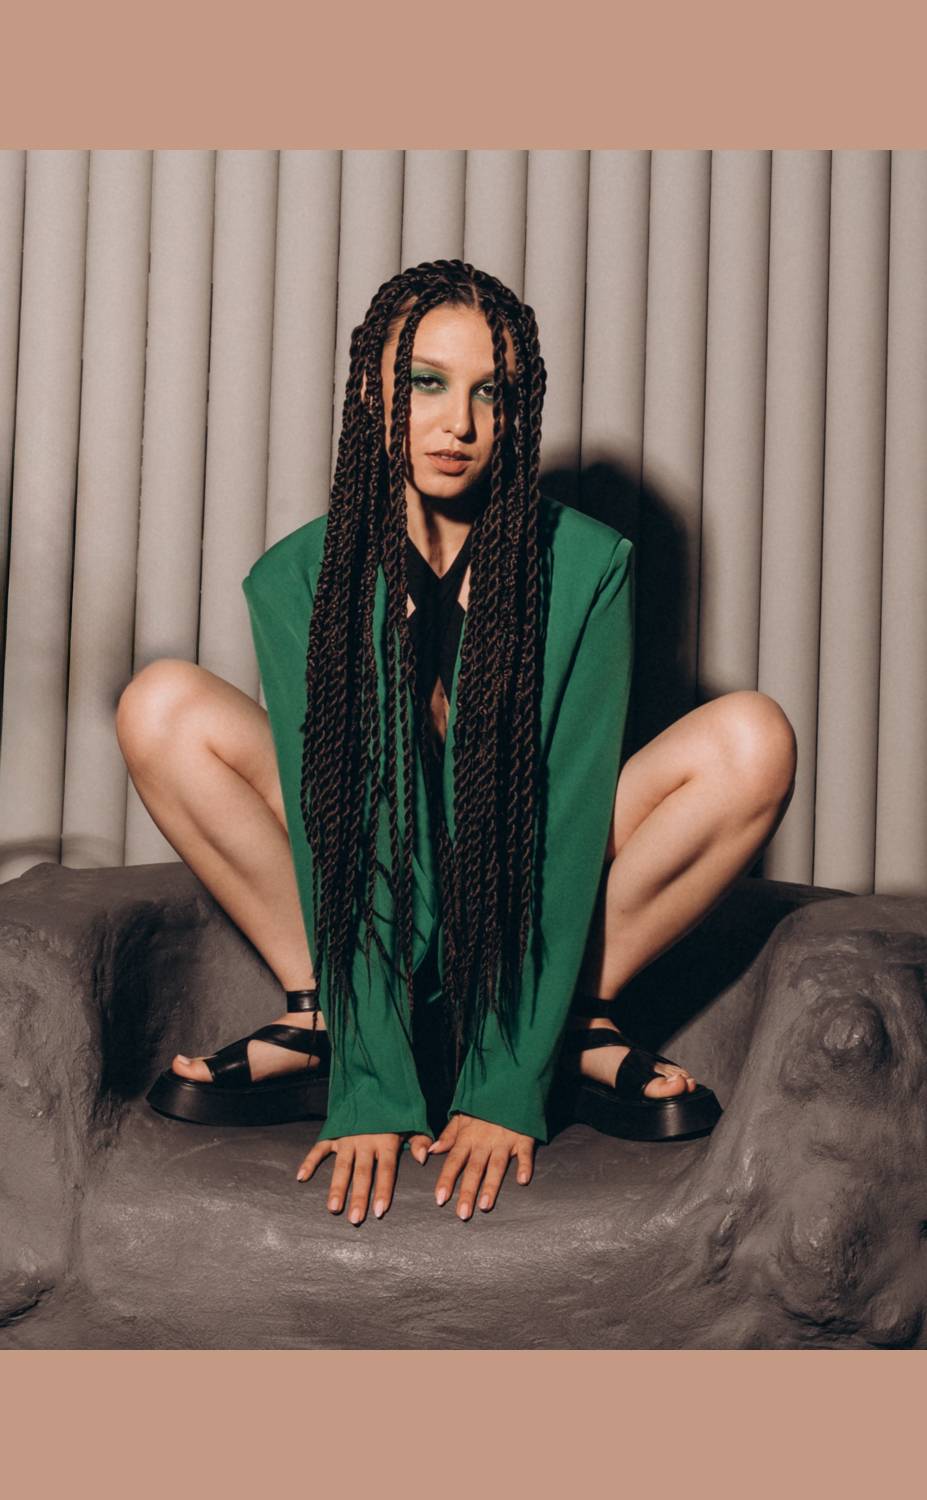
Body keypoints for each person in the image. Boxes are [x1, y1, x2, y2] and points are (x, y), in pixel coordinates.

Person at [117, 259, 797, 1227]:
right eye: (427, 383)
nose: (459, 423)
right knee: (159, 705)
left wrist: (506, 1078)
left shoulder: (588, 566)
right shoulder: (298, 579)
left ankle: (571, 1021)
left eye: (490, 392)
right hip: (365, 915)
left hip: (527, 912)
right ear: (372, 392)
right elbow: (346, 831)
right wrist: (374, 1084)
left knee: (752, 738)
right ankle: (321, 1014)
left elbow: (565, 823)